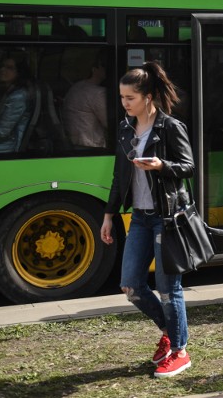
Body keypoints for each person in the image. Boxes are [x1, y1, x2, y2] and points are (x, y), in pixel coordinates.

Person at [100, 61, 195, 378]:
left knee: (169, 289)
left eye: (130, 98)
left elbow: (188, 166)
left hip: (167, 218)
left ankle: (180, 352)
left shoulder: (170, 127)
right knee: (131, 285)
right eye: (122, 97)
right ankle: (170, 333)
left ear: (148, 97)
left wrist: (161, 165)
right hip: (139, 218)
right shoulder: (127, 129)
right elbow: (118, 176)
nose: (124, 104)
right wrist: (108, 216)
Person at [61, 52, 108, 148]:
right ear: (94, 69)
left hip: (75, 143)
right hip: (92, 146)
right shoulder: (97, 93)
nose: (106, 69)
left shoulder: (75, 87)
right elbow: (109, 123)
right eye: (103, 65)